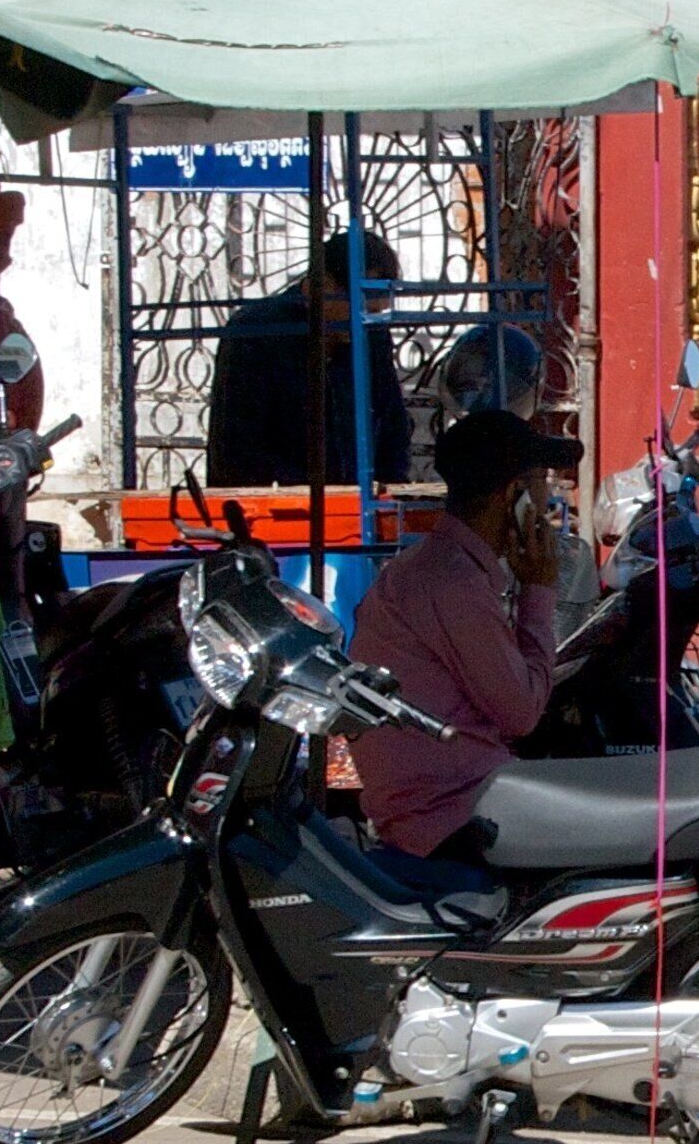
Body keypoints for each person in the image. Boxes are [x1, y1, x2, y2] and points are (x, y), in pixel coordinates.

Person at [347, 408, 581, 866]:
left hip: (457, 794)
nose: (548, 498)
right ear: (513, 496)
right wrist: (539, 587)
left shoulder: (442, 568)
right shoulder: (451, 582)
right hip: (449, 813)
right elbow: (521, 714)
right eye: (539, 484)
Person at [207, 233, 416, 490]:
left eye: (376, 312)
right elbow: (236, 449)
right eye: (362, 309)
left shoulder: (372, 335)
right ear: (321, 287)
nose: (366, 322)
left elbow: (393, 426)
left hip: (357, 508)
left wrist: (388, 491)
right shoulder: (257, 332)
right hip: (277, 509)